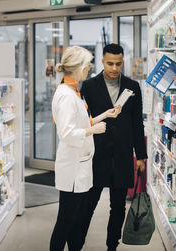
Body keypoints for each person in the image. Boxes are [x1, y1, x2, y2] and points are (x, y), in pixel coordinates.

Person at [50, 46, 121, 251]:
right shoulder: (66, 95)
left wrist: (104, 115)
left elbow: (82, 123)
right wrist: (94, 131)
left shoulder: (73, 90)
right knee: (65, 221)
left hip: (80, 166)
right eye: (87, 65)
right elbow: (67, 133)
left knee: (75, 221)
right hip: (72, 168)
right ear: (77, 67)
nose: (89, 68)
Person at [80, 43, 148, 251]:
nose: (114, 68)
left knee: (118, 207)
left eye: (118, 64)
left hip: (122, 154)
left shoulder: (132, 87)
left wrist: (141, 156)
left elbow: (137, 123)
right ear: (102, 61)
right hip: (96, 153)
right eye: (110, 63)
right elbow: (84, 121)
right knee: (88, 205)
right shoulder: (89, 87)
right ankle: (77, 244)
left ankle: (112, 246)